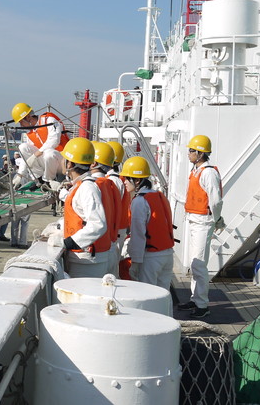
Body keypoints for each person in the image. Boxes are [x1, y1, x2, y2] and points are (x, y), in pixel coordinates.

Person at [46, 138, 112, 278]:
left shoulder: (87, 187)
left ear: (70, 164)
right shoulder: (82, 185)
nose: (61, 162)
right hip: (84, 256)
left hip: (87, 259)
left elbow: (98, 224)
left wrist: (67, 242)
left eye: (63, 159)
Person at [177, 135, 224, 319]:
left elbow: (216, 200)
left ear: (200, 153)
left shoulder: (208, 173)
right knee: (194, 263)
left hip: (203, 221)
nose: (188, 153)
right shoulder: (197, 170)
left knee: (199, 265)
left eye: (191, 150)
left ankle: (202, 305)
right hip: (194, 220)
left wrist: (217, 219)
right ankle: (195, 299)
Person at [121, 156, 175, 290]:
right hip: (167, 253)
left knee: (148, 294)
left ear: (137, 180)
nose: (124, 182)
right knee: (164, 293)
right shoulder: (159, 195)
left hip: (151, 257)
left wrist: (135, 261)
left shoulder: (139, 201)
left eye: (127, 178)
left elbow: (138, 234)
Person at [11, 103, 69, 183]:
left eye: (21, 122)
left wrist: (35, 155)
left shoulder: (49, 120)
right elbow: (27, 159)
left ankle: (49, 181)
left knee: (49, 153)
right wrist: (20, 175)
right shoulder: (30, 134)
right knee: (23, 147)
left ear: (28, 117)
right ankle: (39, 179)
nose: (21, 125)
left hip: (61, 161)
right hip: (46, 162)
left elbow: (54, 140)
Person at [90, 141, 122, 274]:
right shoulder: (112, 182)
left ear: (94, 163)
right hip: (110, 240)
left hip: (100, 246)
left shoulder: (97, 184)